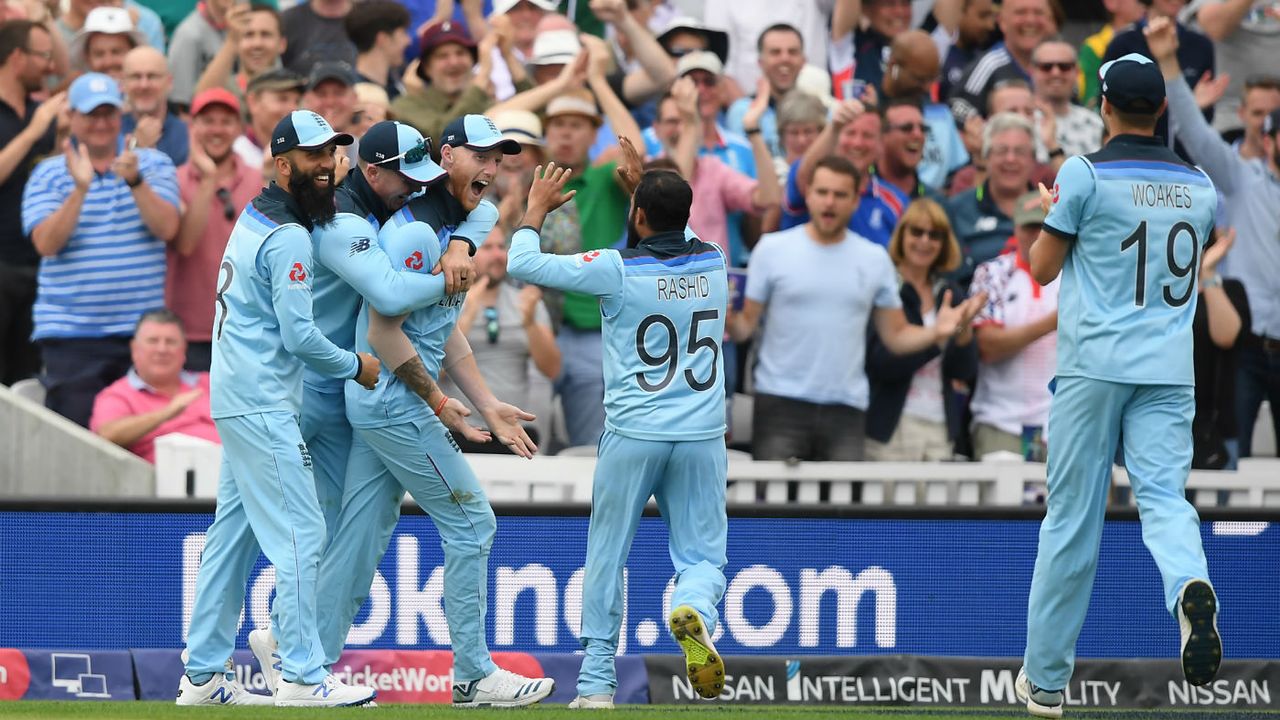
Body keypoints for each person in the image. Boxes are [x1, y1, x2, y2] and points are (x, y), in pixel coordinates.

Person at [303, 114, 553, 708]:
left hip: (380, 403)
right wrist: (442, 405)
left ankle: (301, 653)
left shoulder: (457, 221)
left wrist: (488, 403)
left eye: (499, 159)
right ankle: (471, 675)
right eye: (480, 157)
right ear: (446, 158)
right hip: (393, 405)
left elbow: (442, 335)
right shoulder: (417, 237)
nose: (491, 170)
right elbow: (384, 330)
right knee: (474, 526)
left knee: (363, 529)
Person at [1016, 44, 1222, 717]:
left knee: (1072, 521)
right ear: (1161, 107)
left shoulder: (1083, 173)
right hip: (1169, 368)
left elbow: (1043, 270)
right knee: (1165, 499)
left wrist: (1050, 208)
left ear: (1103, 105)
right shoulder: (1200, 185)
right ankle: (1189, 583)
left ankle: (1046, 682)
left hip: (1093, 366)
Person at [506, 148, 729, 709]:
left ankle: (597, 683)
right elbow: (679, 231)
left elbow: (523, 264)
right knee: (702, 556)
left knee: (608, 554)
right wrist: (645, 192)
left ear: (636, 217)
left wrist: (533, 212)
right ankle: (696, 613)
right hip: (702, 433)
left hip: (634, 432)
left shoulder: (616, 266)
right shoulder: (716, 262)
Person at [178, 110, 380, 707]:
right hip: (263, 399)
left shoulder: (259, 210)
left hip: (238, 394)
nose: (328, 166)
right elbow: (301, 338)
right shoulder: (289, 234)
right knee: (301, 532)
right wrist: (356, 365)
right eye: (315, 158)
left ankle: (203, 676)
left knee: (233, 536)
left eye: (333, 154)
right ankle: (301, 676)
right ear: (283, 164)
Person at [729, 155, 984, 461]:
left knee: (842, 509)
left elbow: (896, 336)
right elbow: (745, 326)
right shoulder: (771, 249)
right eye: (822, 192)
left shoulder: (874, 259)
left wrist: (937, 332)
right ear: (808, 194)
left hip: (846, 408)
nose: (829, 202)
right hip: (780, 401)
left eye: (840, 195)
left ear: (854, 201)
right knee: (775, 508)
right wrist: (725, 316)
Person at [22, 72, 179, 428]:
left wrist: (135, 182)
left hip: (142, 334)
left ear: (120, 116)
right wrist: (80, 190)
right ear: (73, 117)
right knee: (76, 445)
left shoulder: (153, 164)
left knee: (144, 443)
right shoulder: (47, 174)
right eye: (91, 114)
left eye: (108, 113)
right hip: (71, 336)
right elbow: (46, 244)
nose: (101, 123)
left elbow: (168, 228)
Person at [1154, 17, 1280, 458]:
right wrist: (1169, 61)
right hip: (1242, 342)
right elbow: (1196, 133)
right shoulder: (1241, 178)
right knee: (1231, 460)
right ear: (1268, 141)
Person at [866, 199, 978, 461]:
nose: (924, 241)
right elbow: (882, 363)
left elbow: (963, 371)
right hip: (891, 426)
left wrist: (963, 333)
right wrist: (936, 338)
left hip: (939, 425)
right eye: (916, 232)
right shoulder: (886, 287)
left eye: (934, 235)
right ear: (902, 234)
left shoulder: (951, 293)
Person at [170, 88, 263, 372]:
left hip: (245, 331)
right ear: (192, 126)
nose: (217, 129)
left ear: (239, 128)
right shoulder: (174, 180)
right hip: (189, 332)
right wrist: (208, 179)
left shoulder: (259, 181)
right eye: (208, 120)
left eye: (226, 121)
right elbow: (185, 244)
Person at [447, 225, 561, 450]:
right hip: (460, 430)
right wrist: (469, 312)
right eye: (488, 247)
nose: (499, 255)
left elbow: (552, 369)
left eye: (501, 247)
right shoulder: (447, 303)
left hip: (512, 430)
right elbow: (434, 367)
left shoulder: (526, 301)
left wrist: (529, 323)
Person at [967, 191, 1059, 459]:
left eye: (1045, 226)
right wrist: (1052, 323)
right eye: (1030, 227)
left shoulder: (1074, 273)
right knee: (1001, 502)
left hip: (1058, 425)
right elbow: (987, 346)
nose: (1038, 235)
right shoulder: (992, 273)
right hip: (1000, 421)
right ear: (1016, 228)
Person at [0, 19, 61, 386]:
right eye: (43, 56)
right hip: (0, 263)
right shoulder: (38, 121)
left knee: (25, 381)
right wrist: (33, 133)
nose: (51, 67)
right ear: (18, 57)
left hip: (37, 265)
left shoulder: (43, 115)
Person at [90, 309, 218, 462]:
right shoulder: (118, 395)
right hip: (170, 478)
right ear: (134, 349)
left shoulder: (210, 382)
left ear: (183, 349)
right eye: (153, 341)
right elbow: (106, 435)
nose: (162, 349)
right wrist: (167, 412)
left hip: (233, 470)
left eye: (170, 342)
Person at [121, 46, 188, 167]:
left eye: (152, 76)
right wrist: (136, 146)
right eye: (136, 77)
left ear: (169, 82)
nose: (144, 85)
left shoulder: (188, 135)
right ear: (123, 84)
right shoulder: (107, 133)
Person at [347, 0, 411, 101]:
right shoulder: (352, 94)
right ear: (383, 39)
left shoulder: (396, 89)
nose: (408, 41)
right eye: (403, 33)